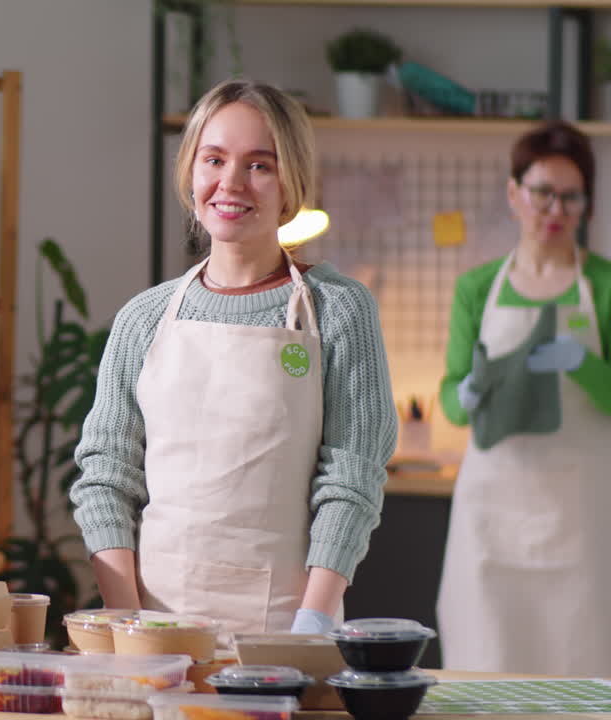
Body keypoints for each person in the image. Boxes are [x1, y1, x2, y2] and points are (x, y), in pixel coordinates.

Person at [69, 78, 398, 635]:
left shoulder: (338, 311)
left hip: (281, 628)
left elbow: (351, 478)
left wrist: (312, 623)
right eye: (214, 159)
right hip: (152, 628)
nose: (230, 183)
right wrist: (124, 615)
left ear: (291, 183)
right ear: (190, 172)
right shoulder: (142, 319)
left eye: (259, 166)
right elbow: (106, 474)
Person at [437, 121, 611, 676]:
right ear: (514, 194)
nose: (554, 209)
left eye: (571, 196)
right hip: (492, 520)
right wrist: (466, 392)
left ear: (587, 204)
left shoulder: (604, 286)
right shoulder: (478, 288)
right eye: (542, 192)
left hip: (582, 521)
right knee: (488, 661)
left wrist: (582, 364)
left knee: (579, 667)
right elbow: (451, 397)